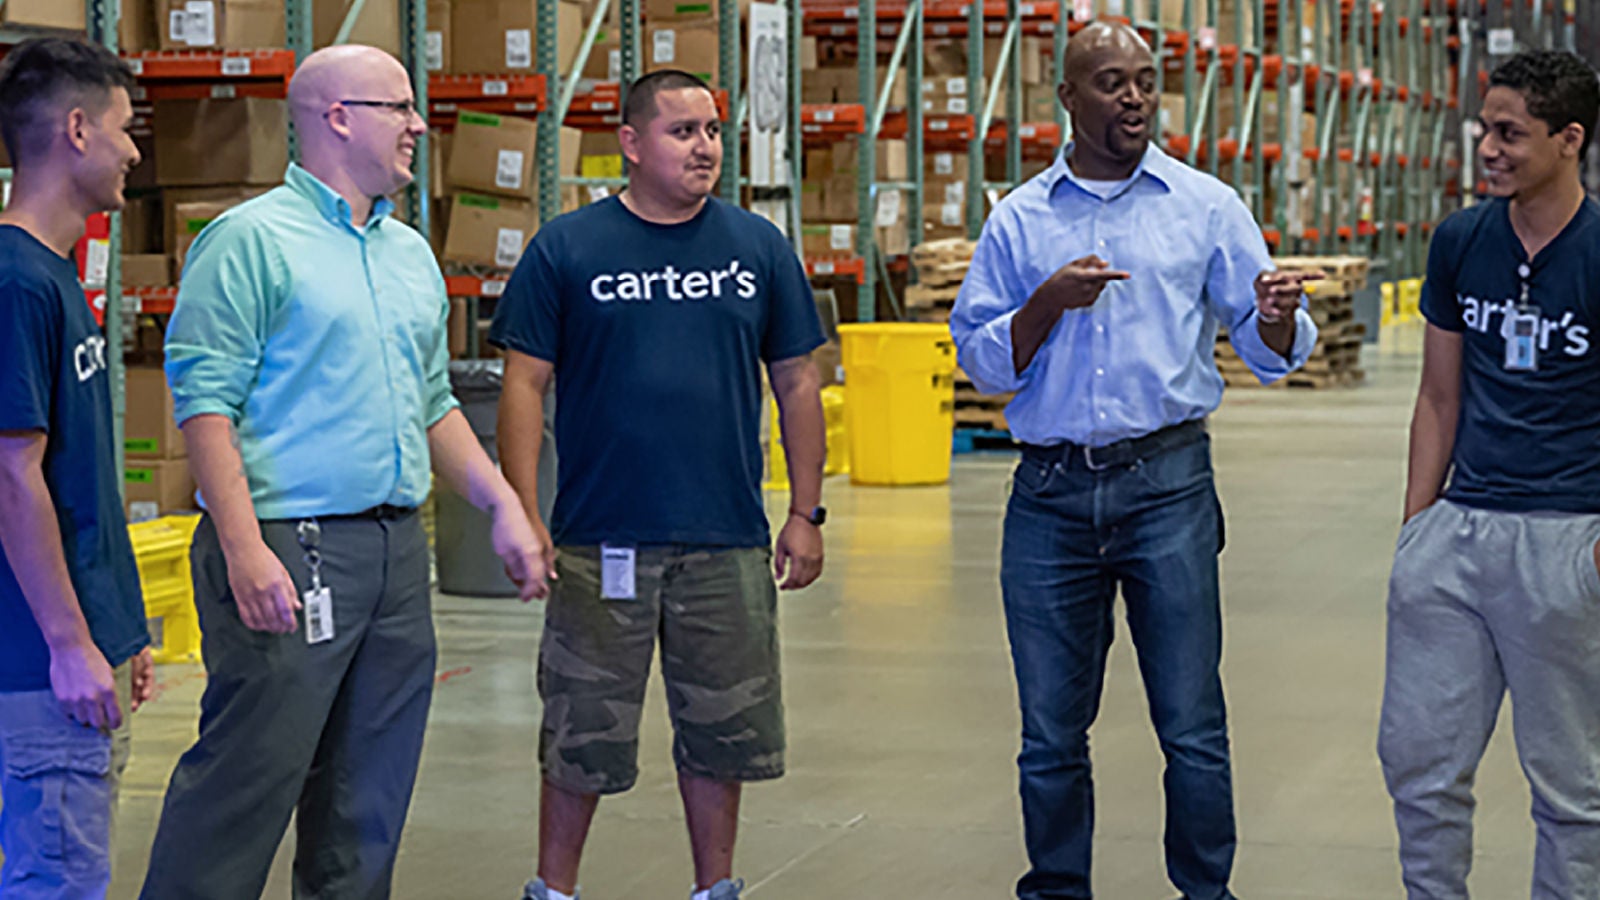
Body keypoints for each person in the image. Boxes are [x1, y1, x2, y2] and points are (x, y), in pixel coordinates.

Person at [139, 45, 545, 899]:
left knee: (370, 795)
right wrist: (246, 549)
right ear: (336, 116)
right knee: (247, 783)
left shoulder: (406, 255)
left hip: (397, 552)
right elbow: (204, 405)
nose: (416, 126)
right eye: (398, 107)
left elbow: (432, 403)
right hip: (292, 545)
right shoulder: (248, 242)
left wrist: (501, 504)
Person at [949, 22, 1322, 900]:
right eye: (1110, 82)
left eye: (1145, 82)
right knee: (1050, 730)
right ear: (1068, 100)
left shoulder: (1205, 206)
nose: (1133, 98)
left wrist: (1273, 313)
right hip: (1048, 493)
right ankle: (1057, 887)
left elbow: (1273, 348)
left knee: (1192, 721)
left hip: (1168, 487)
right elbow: (980, 358)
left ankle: (1205, 890)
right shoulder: (1021, 218)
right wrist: (1044, 304)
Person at [490, 70, 828, 900]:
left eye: (712, 130)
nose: (705, 146)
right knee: (581, 732)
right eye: (682, 131)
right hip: (599, 537)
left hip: (727, 539)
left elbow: (797, 383)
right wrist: (524, 512)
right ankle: (554, 890)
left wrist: (807, 512)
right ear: (631, 146)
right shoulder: (568, 250)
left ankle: (715, 887)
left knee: (724, 733)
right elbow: (524, 385)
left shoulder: (758, 249)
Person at [1378, 50, 1600, 900]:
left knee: (1573, 790)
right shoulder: (1461, 240)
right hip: (1457, 538)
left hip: (1566, 542)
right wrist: (1415, 535)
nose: (1489, 148)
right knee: (1419, 767)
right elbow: (1439, 398)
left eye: (1510, 133)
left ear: (1569, 140)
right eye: (1484, 129)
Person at [0, 37, 155, 899]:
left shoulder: (56, 276)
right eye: (125, 127)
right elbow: (10, 478)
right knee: (56, 883)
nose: (134, 150)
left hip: (75, 646)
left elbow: (81, 477)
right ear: (75, 129)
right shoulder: (15, 282)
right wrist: (66, 642)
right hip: (35, 665)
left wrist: (115, 630)